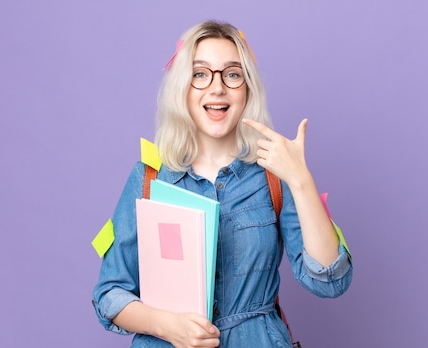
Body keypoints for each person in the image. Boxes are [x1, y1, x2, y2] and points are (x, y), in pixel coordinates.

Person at [92, 20, 353, 348]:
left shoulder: (276, 175)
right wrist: (166, 325)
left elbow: (330, 281)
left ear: (247, 89)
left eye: (232, 74)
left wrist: (301, 180)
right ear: (182, 89)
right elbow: (109, 293)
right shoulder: (148, 178)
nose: (217, 88)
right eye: (200, 74)